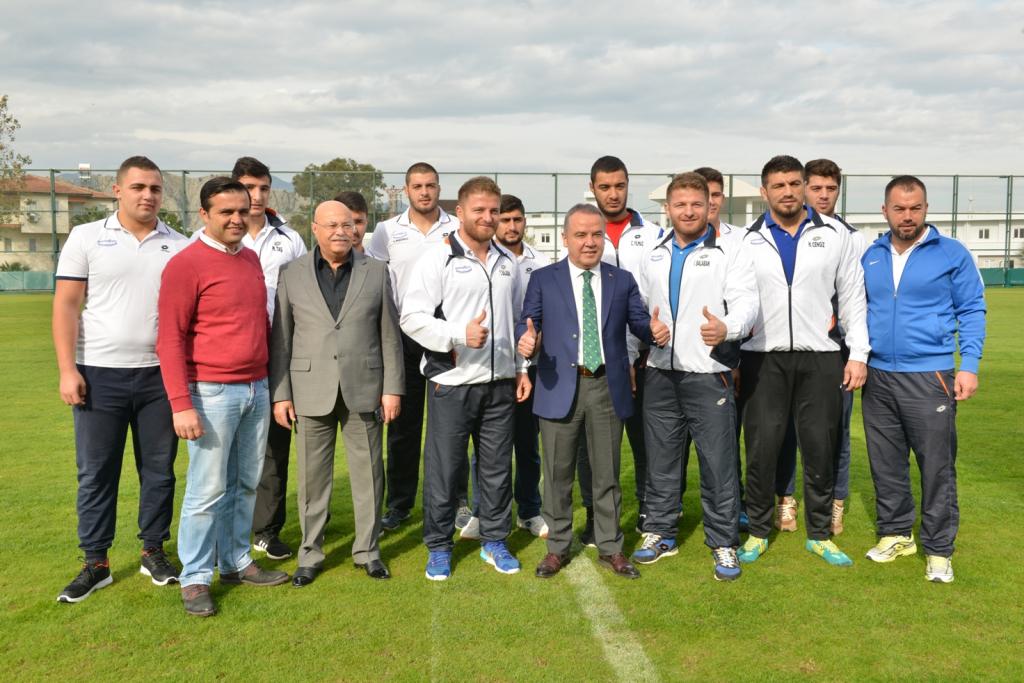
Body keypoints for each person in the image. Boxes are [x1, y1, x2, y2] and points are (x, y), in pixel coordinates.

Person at [53, 156, 187, 603]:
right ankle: (96, 563)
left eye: (155, 188)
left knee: (159, 472)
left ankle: (153, 551)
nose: (147, 195)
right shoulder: (86, 236)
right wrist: (67, 369)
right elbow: (67, 304)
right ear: (117, 190)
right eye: (138, 187)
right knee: (96, 473)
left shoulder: (179, 244)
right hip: (97, 374)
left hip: (159, 376)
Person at [158, 177, 288, 618]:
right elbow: (169, 339)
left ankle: (235, 562)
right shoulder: (186, 264)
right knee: (207, 489)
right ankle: (195, 577)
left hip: (256, 388)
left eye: (242, 211)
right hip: (210, 393)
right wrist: (181, 404)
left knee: (246, 483)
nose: (236, 219)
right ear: (204, 215)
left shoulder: (249, 258)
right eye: (225, 212)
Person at [517, 203, 667, 580]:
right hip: (558, 387)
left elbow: (639, 322)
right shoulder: (544, 279)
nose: (589, 242)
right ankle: (557, 548)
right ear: (565, 238)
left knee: (606, 474)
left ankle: (610, 546)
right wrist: (528, 340)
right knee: (557, 474)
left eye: (596, 234)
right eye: (580, 235)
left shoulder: (621, 280)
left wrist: (654, 332)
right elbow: (528, 322)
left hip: (606, 387)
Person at [736, 155, 868, 568]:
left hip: (822, 357)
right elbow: (734, 300)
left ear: (803, 186)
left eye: (795, 183)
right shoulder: (746, 240)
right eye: (779, 185)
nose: (788, 192)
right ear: (765, 192)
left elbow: (853, 298)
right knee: (762, 448)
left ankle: (820, 535)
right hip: (762, 358)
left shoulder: (835, 235)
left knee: (820, 448)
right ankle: (759, 531)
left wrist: (858, 354)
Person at [401, 176, 530, 581]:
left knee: (496, 469)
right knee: (445, 470)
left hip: (500, 384)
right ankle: (439, 547)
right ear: (460, 212)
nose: (488, 218)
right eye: (480, 210)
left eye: (494, 211)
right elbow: (412, 318)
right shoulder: (436, 258)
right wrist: (458, 334)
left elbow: (517, 321)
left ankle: (494, 540)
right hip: (452, 383)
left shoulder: (507, 261)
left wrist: (521, 368)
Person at [631, 173, 758, 581]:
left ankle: (723, 542)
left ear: (709, 207)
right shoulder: (652, 254)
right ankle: (660, 531)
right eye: (680, 204)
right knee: (661, 461)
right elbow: (638, 309)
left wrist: (727, 328)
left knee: (718, 464)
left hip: (708, 374)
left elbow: (747, 303)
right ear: (667, 208)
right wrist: (643, 338)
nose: (688, 211)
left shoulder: (730, 251)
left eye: (696, 204)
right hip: (659, 373)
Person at [269, 200, 404, 586]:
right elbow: (282, 338)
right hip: (309, 389)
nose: (341, 231)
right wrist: (281, 394)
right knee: (312, 480)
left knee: (369, 475)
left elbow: (389, 335)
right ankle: (310, 554)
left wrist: (392, 389)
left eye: (347, 225)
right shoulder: (291, 273)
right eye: (331, 225)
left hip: (365, 387)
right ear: (314, 228)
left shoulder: (376, 271)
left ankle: (368, 551)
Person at [861, 175, 985, 583]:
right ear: (885, 211)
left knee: (937, 467)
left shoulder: (952, 253)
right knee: (886, 464)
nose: (907, 216)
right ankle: (897, 534)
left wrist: (969, 364)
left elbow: (972, 309)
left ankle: (938, 550)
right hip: (878, 375)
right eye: (899, 208)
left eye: (915, 208)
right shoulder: (871, 254)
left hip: (930, 375)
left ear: (926, 209)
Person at [191, 156, 307, 561]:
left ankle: (266, 531)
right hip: (223, 362)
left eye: (263, 188)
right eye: (249, 188)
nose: (256, 197)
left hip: (277, 353)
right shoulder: (202, 242)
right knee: (217, 460)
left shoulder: (288, 238)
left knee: (273, 448)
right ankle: (212, 543)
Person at [771, 159, 868, 535]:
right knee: (785, 430)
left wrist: (850, 340)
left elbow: (856, 295)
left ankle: (833, 503)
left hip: (835, 353)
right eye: (816, 188)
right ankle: (786, 499)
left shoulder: (850, 237)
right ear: (803, 189)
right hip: (787, 352)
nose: (824, 195)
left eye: (831, 189)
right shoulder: (778, 231)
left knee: (834, 433)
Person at [366, 163, 461, 531]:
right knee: (403, 428)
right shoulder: (386, 231)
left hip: (445, 337)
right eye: (417, 186)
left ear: (439, 188)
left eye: (430, 185)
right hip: (402, 338)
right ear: (406, 190)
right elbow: (377, 284)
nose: (424, 192)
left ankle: (457, 502)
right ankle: (400, 504)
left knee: (450, 426)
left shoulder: (456, 227)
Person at [578, 156, 663, 541]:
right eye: (605, 187)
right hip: (596, 362)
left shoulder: (655, 235)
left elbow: (649, 304)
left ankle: (649, 509)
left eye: (619, 186)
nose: (613, 194)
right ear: (592, 188)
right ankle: (594, 515)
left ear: (628, 185)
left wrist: (631, 354)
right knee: (591, 447)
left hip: (644, 360)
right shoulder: (582, 233)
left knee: (646, 442)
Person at [460, 194, 551, 541]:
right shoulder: (484, 259)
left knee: (527, 444)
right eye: (505, 219)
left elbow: (545, 315)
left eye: (517, 219)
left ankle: (529, 510)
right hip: (491, 365)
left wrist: (535, 343)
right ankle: (482, 512)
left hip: (530, 366)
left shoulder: (541, 262)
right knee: (486, 446)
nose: (511, 226)